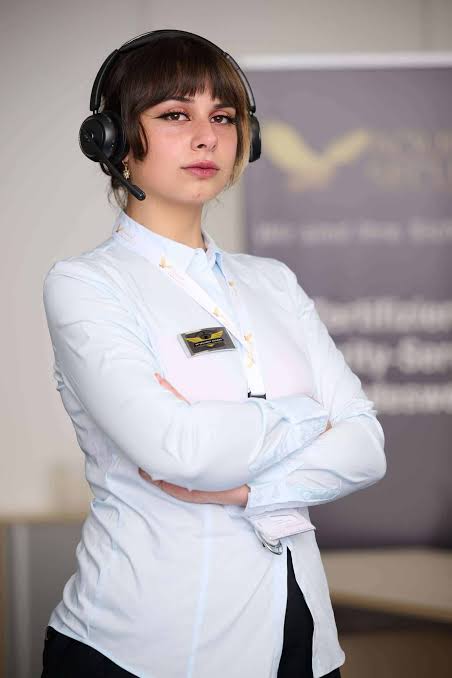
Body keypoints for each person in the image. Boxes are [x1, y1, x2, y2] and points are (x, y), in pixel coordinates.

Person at [40, 30, 386, 678]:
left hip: (302, 639)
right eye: (176, 115)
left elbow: (367, 447)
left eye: (223, 117)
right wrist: (310, 415)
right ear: (112, 141)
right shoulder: (87, 285)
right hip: (145, 647)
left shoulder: (273, 281)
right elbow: (180, 451)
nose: (207, 137)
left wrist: (250, 488)